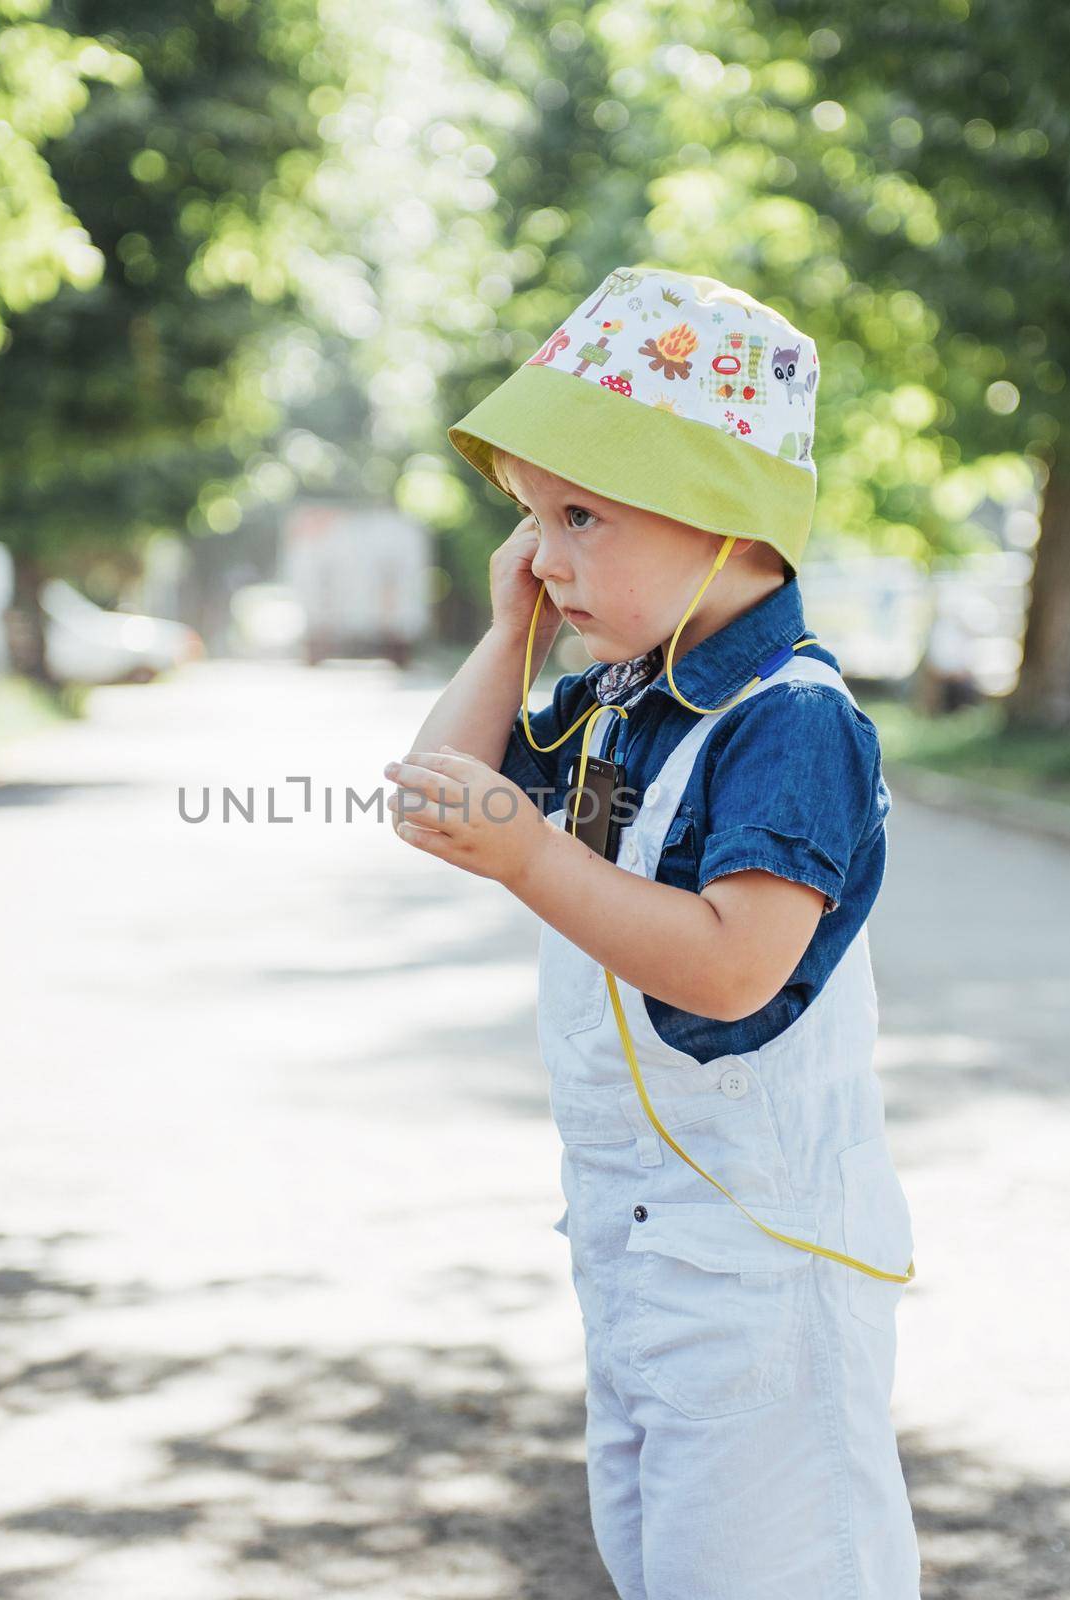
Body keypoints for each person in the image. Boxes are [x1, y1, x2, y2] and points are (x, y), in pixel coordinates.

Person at [382, 266, 921, 1599]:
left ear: (726, 521)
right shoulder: (632, 696)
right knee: (669, 1563)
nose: (547, 555)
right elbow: (438, 798)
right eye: (530, 522)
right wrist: (512, 624)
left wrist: (529, 851)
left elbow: (735, 967)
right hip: (643, 1256)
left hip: (760, 1271)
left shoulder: (791, 722)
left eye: (580, 517)